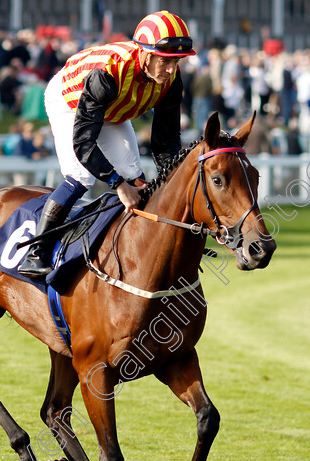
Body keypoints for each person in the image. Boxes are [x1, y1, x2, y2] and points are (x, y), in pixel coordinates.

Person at [18, 10, 196, 278]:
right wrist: (117, 184)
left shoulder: (171, 78)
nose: (171, 70)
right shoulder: (108, 73)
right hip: (71, 101)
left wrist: (171, 177)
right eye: (165, 62)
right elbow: (84, 143)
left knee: (136, 178)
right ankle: (36, 251)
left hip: (114, 107)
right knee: (81, 177)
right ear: (146, 55)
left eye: (177, 61)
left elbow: (166, 138)